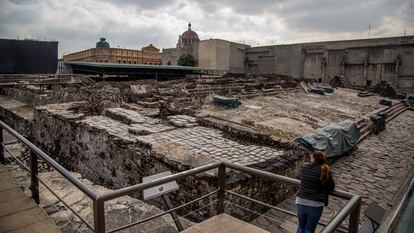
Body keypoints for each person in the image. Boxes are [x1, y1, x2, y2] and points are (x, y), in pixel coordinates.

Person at [296, 150, 335, 233]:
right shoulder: (325, 170)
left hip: (300, 201)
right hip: (315, 204)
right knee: (309, 230)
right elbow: (331, 186)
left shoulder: (305, 167)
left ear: (313, 158)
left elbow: (302, 178)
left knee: (301, 228)